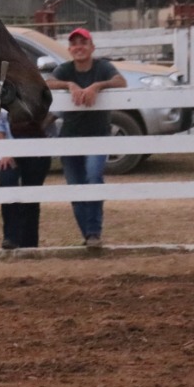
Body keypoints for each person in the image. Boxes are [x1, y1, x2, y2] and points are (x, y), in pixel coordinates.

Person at [45, 27, 126, 248]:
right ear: (70, 49)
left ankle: (93, 231)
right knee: (75, 187)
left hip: (98, 134)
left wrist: (97, 86)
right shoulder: (65, 69)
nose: (79, 47)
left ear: (92, 47)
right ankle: (88, 236)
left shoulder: (102, 67)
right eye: (74, 44)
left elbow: (121, 81)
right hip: (69, 136)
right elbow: (48, 83)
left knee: (94, 176)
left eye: (83, 42)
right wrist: (69, 84)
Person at [0, 108, 53, 249]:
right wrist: (5, 149)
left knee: (31, 195)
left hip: (37, 146)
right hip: (7, 147)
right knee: (8, 184)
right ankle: (11, 237)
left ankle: (29, 243)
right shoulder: (1, 95)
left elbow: (53, 113)